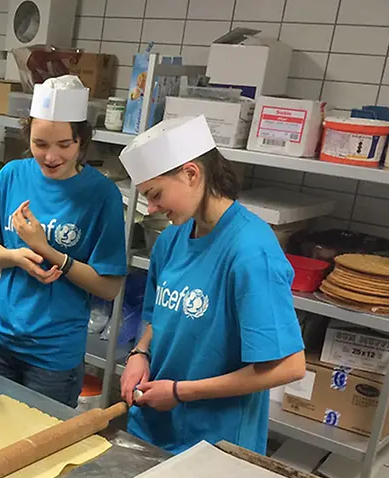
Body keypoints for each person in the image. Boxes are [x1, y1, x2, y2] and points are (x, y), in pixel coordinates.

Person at [117, 115, 306, 455]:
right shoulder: (171, 239)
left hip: (212, 443)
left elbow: (290, 367)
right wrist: (140, 353)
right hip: (153, 427)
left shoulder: (250, 252)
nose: (152, 207)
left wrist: (181, 392)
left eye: (156, 194)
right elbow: (158, 319)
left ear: (191, 173)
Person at [0, 75, 127, 406]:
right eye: (40, 144)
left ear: (81, 141)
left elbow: (109, 287)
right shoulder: (13, 174)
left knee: (39, 445)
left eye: (63, 146)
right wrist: (15, 257)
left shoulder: (101, 195)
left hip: (53, 353)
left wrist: (49, 251)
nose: (50, 157)